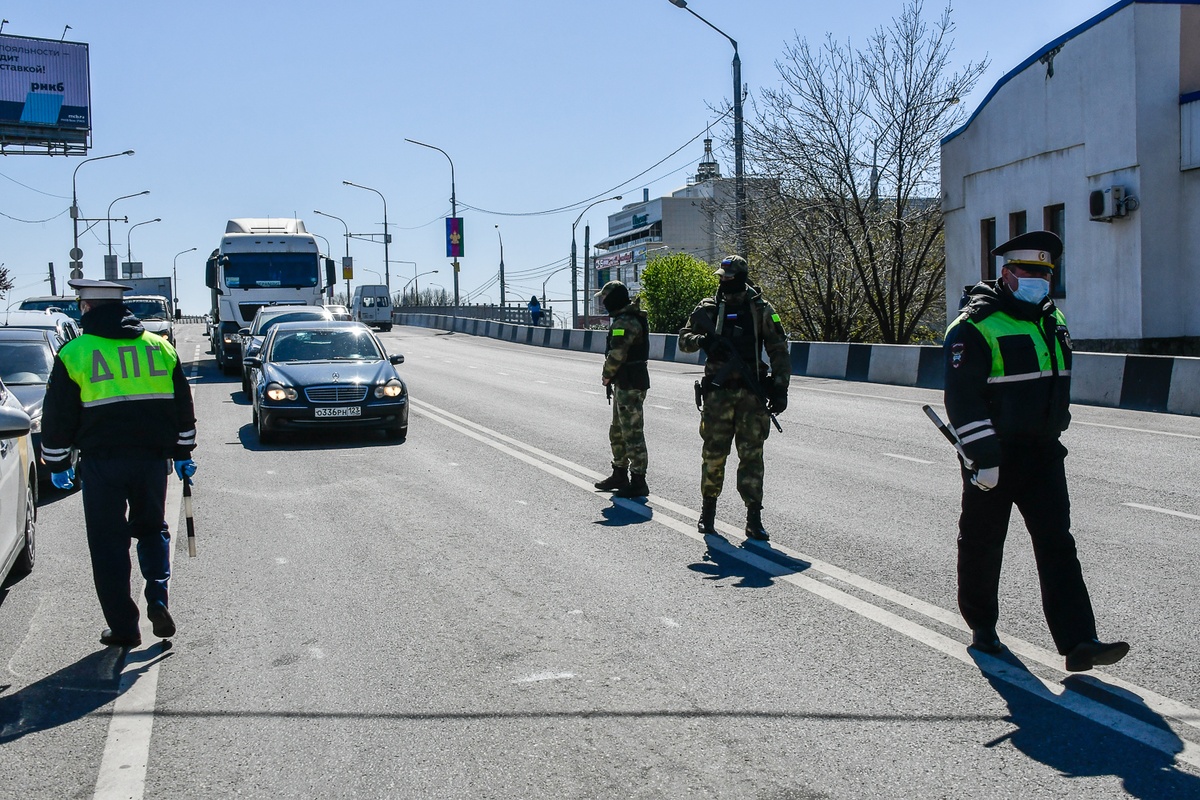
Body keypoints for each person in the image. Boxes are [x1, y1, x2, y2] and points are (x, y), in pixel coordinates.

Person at [943, 230, 1129, 673]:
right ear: (1006, 275)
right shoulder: (973, 326)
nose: (1039, 280)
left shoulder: (1052, 319)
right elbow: (963, 400)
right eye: (1029, 272)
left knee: (1057, 545)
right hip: (995, 455)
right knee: (984, 544)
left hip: (1044, 453)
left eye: (1046, 272)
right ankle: (982, 625)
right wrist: (983, 458)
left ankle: (1079, 641)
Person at [40, 279, 198, 649]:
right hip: (150, 462)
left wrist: (58, 461)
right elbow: (182, 406)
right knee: (152, 528)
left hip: (101, 465)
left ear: (86, 308)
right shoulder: (159, 347)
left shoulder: (75, 353)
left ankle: (125, 628)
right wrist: (184, 453)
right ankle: (158, 597)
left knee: (108, 545)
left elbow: (58, 416)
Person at [677, 255, 790, 541]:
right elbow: (683, 340)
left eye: (729, 277)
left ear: (740, 276)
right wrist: (703, 341)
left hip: (751, 395)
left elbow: (778, 349)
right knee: (713, 455)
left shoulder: (761, 309)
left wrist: (780, 388)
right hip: (718, 394)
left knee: (752, 457)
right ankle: (708, 512)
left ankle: (754, 518)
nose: (723, 281)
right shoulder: (709, 308)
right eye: (722, 276)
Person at [592, 280, 651, 499]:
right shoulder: (625, 318)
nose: (604, 302)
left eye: (605, 298)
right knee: (618, 431)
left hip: (630, 383)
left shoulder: (625, 322)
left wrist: (607, 375)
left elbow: (616, 354)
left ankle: (638, 480)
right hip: (626, 383)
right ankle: (619, 473)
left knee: (632, 433)